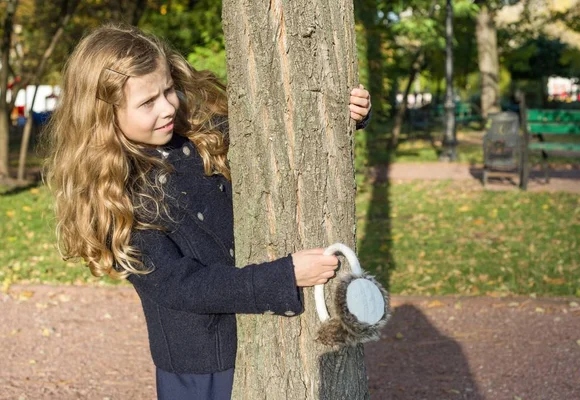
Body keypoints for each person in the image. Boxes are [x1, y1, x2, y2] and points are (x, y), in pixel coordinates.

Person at [44, 24, 372, 400]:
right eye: (148, 103)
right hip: (200, 370)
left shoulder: (199, 137)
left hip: (250, 341)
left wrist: (341, 112)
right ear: (103, 116)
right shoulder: (115, 197)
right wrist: (284, 276)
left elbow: (275, 130)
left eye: (169, 90)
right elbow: (181, 286)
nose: (168, 106)